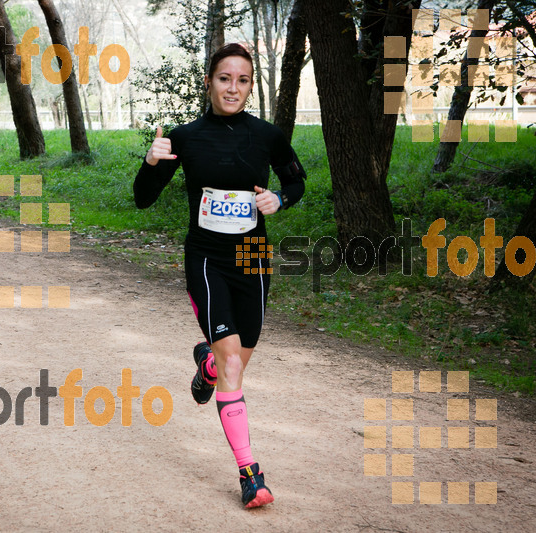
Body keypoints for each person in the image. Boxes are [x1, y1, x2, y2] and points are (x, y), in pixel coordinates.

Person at [133, 43, 306, 509]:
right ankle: (251, 474)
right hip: (206, 258)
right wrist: (151, 163)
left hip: (252, 256)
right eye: (225, 78)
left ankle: (207, 364)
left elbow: (296, 180)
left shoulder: (267, 136)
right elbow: (143, 199)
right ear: (209, 81)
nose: (233, 88)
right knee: (235, 365)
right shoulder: (185, 138)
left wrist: (280, 200)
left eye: (243, 80)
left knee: (235, 359)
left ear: (251, 85)